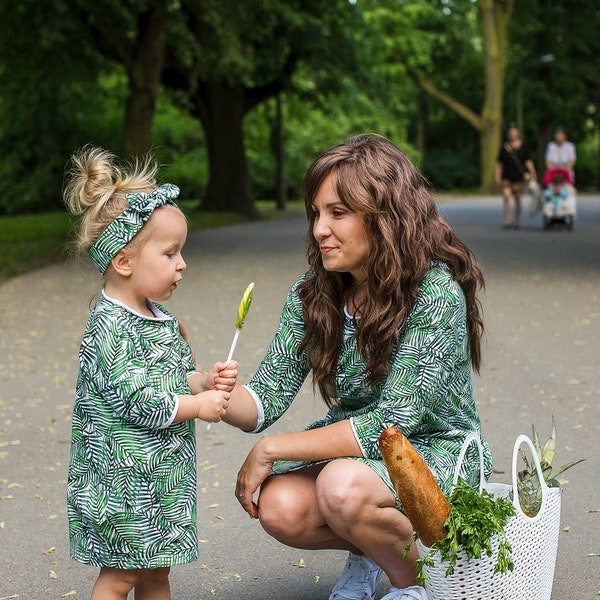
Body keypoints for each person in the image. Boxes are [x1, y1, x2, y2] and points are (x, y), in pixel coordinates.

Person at [222, 133, 492, 600]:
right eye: (316, 214)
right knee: (280, 507)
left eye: (337, 213)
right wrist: (209, 392)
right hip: (357, 457)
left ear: (385, 216)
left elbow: (390, 425)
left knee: (340, 487)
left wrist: (270, 450)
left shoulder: (435, 294)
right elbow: (263, 400)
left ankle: (417, 586)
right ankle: (375, 551)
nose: (318, 229)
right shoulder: (315, 292)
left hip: (435, 451)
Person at [62, 146, 237, 600]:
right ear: (124, 262)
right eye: (171, 253)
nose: (182, 264)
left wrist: (205, 381)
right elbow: (137, 400)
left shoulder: (157, 316)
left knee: (158, 573)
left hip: (161, 481)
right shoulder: (109, 326)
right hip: (122, 483)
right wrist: (197, 406)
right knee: (122, 576)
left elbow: (178, 378)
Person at [495, 123, 537, 229]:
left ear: (518, 133)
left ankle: (517, 220)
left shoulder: (523, 147)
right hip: (507, 177)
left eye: (514, 132)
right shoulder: (504, 147)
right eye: (511, 132)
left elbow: (528, 161)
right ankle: (508, 220)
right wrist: (497, 176)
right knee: (506, 195)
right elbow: (499, 163)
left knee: (517, 198)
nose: (513, 134)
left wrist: (533, 172)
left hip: (519, 177)